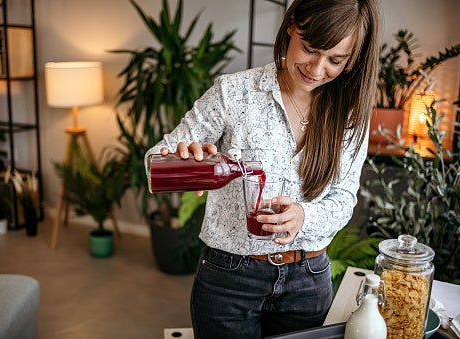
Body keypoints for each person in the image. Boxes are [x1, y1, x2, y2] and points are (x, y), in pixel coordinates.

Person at [145, 0, 381, 337]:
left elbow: (344, 199)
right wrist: (179, 158)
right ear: (290, 26)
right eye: (310, 49)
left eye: (335, 60)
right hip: (229, 278)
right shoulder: (233, 93)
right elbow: (156, 158)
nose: (316, 69)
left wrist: (303, 216)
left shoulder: (350, 114)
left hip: (309, 282)